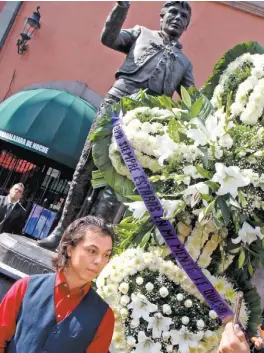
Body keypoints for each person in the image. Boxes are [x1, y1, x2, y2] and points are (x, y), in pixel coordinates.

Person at [38, 0, 195, 250]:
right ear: (162, 16)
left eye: (183, 16)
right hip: (115, 105)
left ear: (186, 25)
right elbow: (109, 38)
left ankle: (90, 246)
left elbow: (191, 100)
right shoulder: (141, 33)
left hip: (144, 123)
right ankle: (62, 233)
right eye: (173, 12)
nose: (177, 17)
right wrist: (121, 7)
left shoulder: (185, 63)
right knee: (86, 168)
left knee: (117, 184)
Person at [0, 216, 115, 353]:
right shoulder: (25, 287)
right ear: (70, 249)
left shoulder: (104, 317)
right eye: (92, 251)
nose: (99, 261)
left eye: (106, 255)